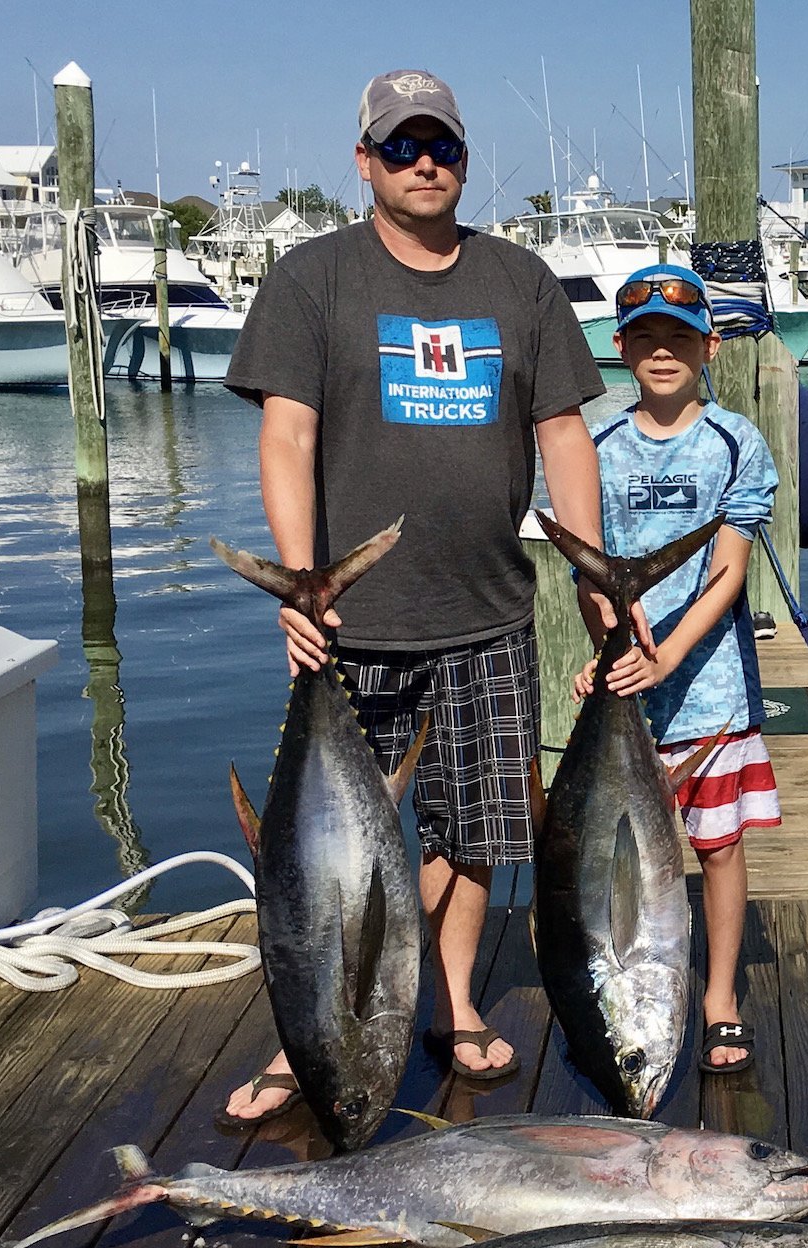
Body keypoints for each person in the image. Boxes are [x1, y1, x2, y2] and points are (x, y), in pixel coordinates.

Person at [219, 68, 607, 1123]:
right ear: (365, 161)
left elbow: (564, 433)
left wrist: (593, 568)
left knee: (475, 827)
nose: (423, 162)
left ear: (465, 158)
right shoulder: (312, 278)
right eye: (401, 146)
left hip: (489, 611)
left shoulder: (520, 282)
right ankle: (308, 1032)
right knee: (324, 854)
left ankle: (451, 1004)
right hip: (353, 626)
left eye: (441, 145)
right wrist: (300, 583)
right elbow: (288, 436)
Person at [565, 264, 783, 1073]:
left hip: (711, 687)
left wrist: (668, 656)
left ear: (710, 348)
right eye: (646, 337)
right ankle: (626, 983)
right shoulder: (595, 448)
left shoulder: (736, 442)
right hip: (627, 684)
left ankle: (719, 996)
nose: (663, 351)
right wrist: (608, 649)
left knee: (717, 846)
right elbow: (588, 574)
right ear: (620, 348)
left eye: (680, 338)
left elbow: (729, 573)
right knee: (618, 858)